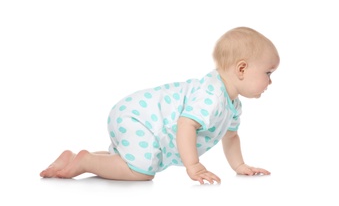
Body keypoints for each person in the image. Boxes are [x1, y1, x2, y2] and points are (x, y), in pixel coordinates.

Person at [40, 26, 280, 184]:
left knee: (127, 160)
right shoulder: (212, 94)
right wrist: (194, 166)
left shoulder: (233, 104)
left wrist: (239, 165)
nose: (270, 81)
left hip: (137, 118)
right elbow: (185, 124)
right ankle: (86, 162)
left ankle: (75, 157)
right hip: (139, 119)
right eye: (268, 72)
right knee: (142, 171)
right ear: (241, 69)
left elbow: (231, 137)